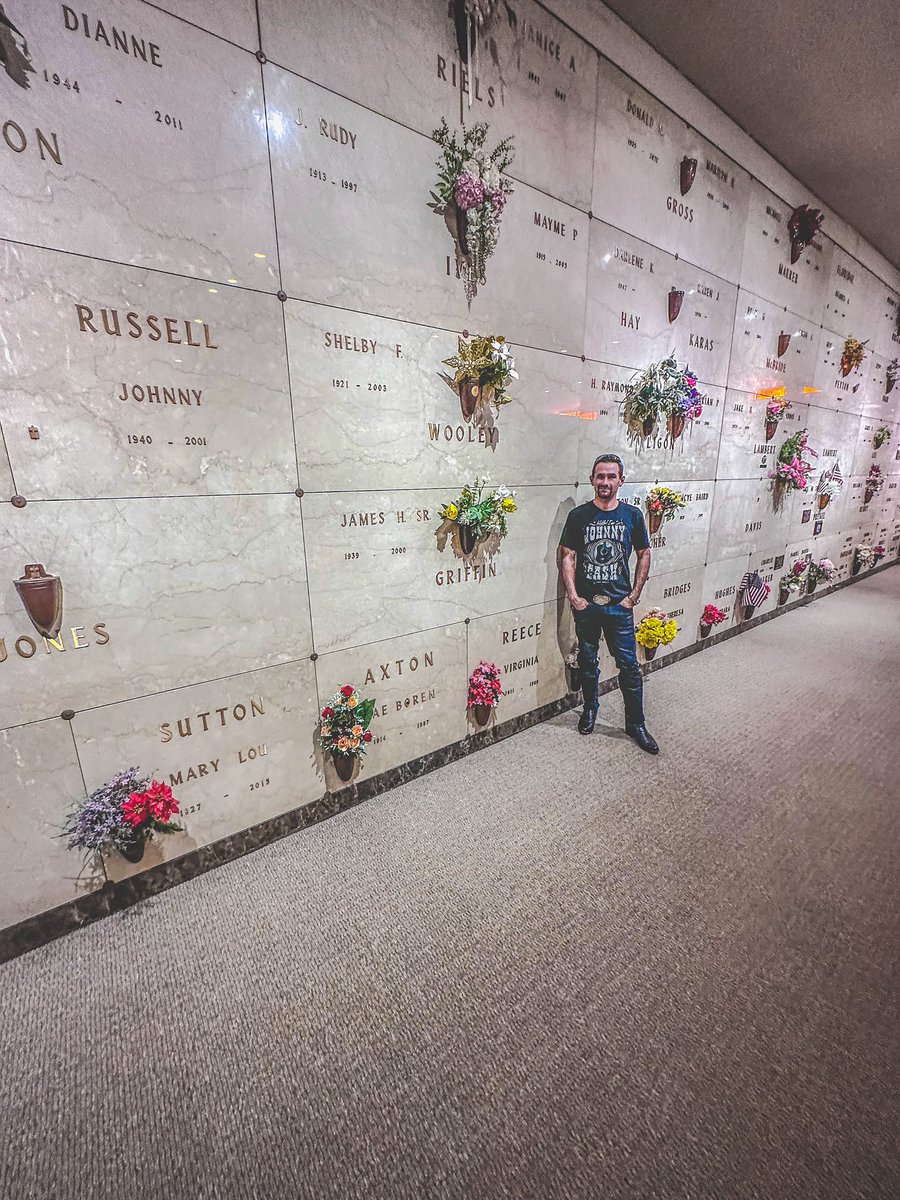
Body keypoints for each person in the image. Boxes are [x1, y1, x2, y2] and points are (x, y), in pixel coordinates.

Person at [559, 454, 658, 753]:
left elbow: (644, 553)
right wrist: (574, 597)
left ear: (621, 480)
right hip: (588, 606)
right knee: (587, 661)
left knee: (629, 665)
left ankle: (636, 723)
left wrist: (634, 596)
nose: (605, 482)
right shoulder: (578, 516)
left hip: (619, 605)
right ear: (592, 479)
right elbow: (567, 555)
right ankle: (590, 709)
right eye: (600, 476)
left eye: (611, 476)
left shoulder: (632, 515)